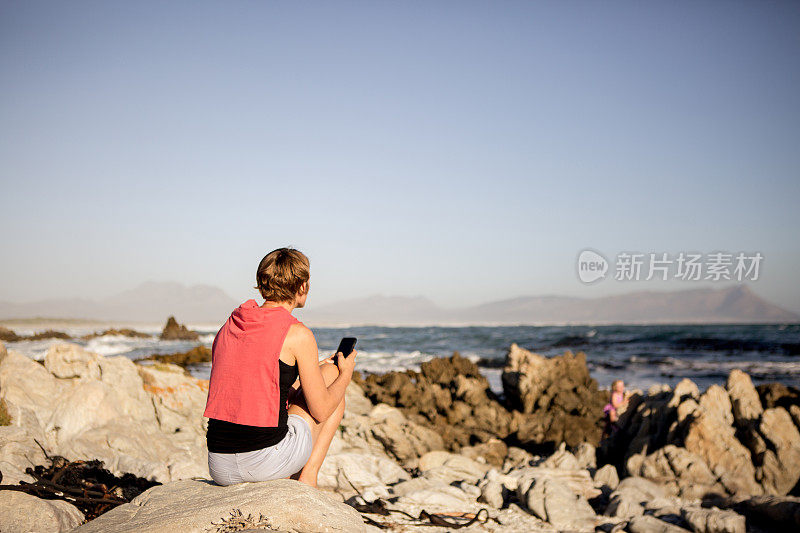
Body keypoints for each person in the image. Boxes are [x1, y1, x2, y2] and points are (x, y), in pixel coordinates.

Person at [203, 247, 357, 488]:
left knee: (320, 373)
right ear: (302, 286)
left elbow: (253, 384)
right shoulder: (297, 334)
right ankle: (307, 479)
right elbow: (321, 411)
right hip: (264, 462)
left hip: (219, 465)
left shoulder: (232, 324)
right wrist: (345, 375)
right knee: (333, 375)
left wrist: (307, 374)